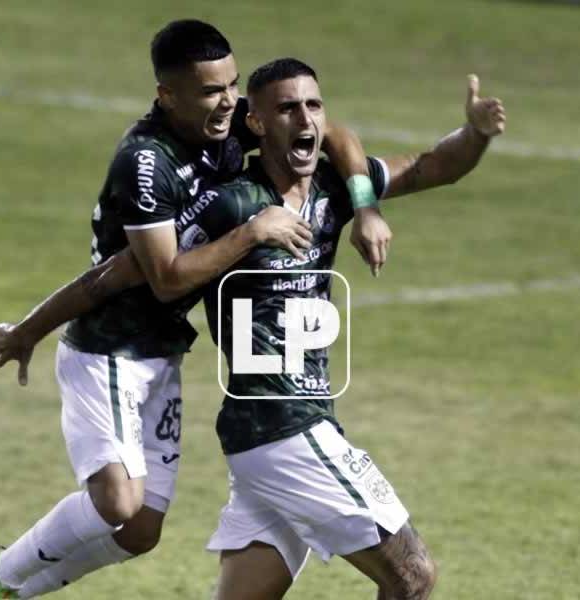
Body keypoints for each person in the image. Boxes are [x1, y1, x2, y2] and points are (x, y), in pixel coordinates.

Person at [0, 20, 391, 600]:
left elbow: (337, 135)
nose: (228, 102)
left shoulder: (226, 127)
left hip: (162, 353)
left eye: (232, 86)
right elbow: (161, 277)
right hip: (109, 348)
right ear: (168, 95)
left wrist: (365, 205)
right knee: (118, 501)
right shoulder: (145, 162)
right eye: (211, 91)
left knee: (140, 532)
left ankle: (4, 593)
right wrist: (252, 231)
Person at [149, 58, 505, 599]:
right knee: (412, 575)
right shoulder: (232, 203)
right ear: (256, 122)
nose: (305, 119)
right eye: (287, 109)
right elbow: (158, 274)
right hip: (282, 427)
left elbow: (433, 166)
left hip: (268, 435)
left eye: (313, 106)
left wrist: (475, 133)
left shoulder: (333, 190)